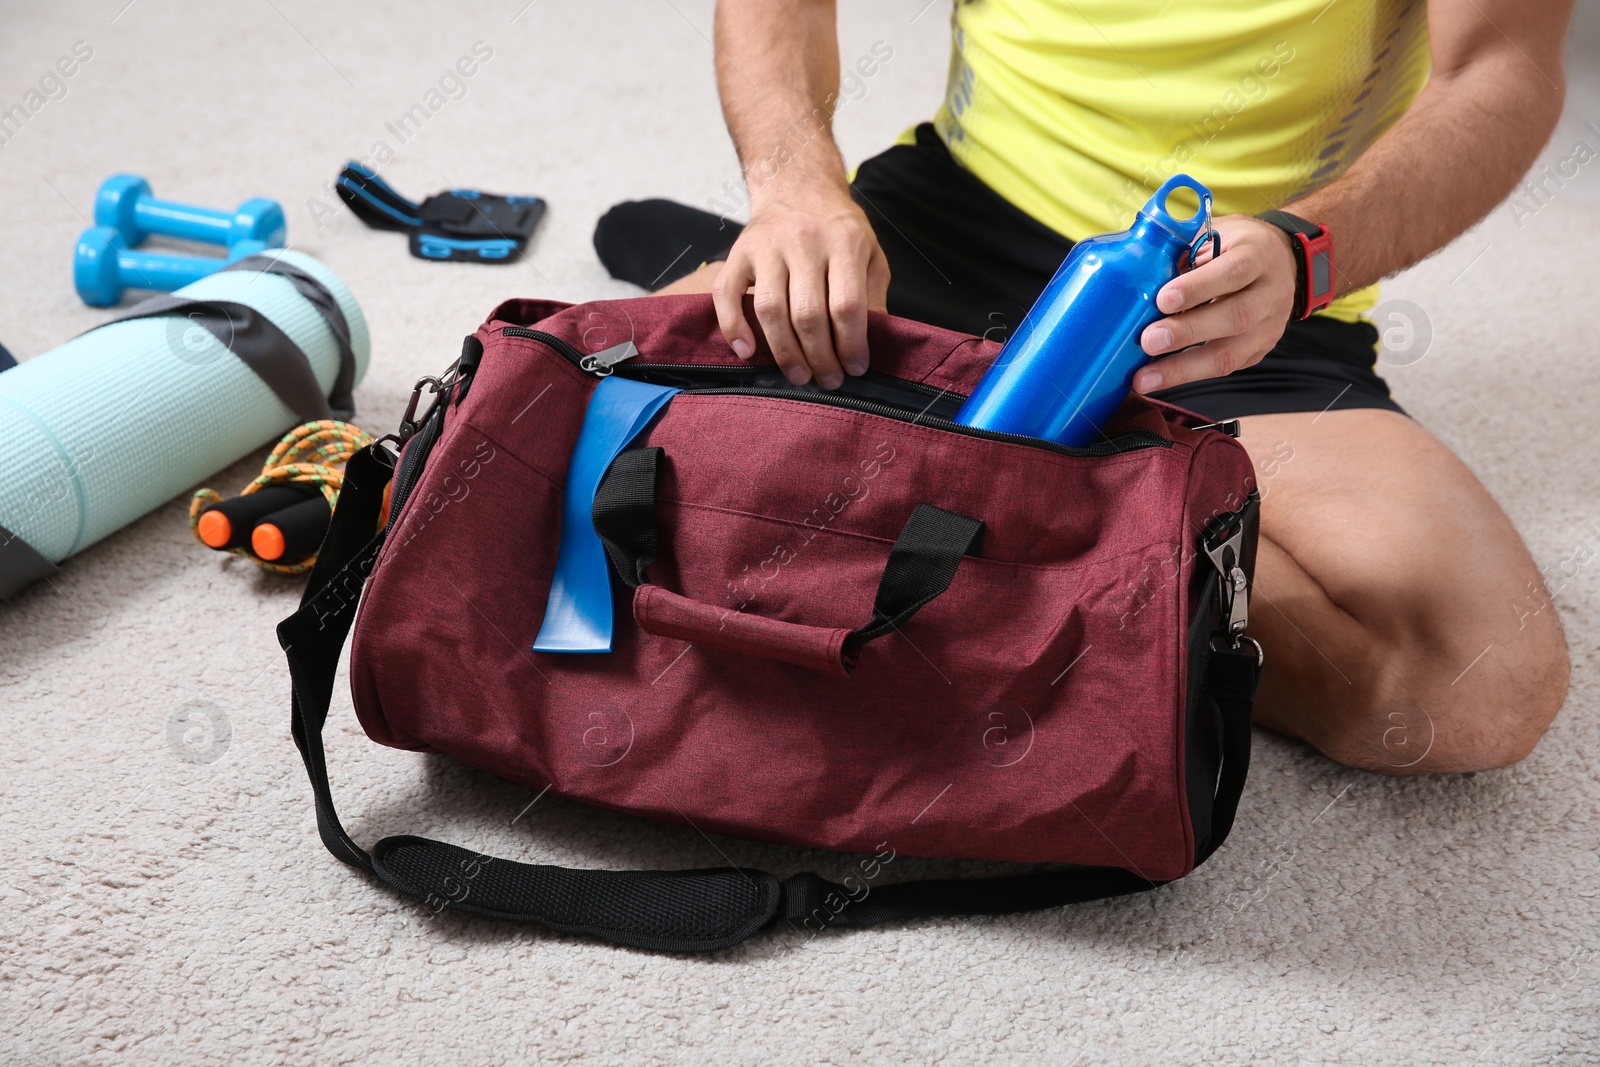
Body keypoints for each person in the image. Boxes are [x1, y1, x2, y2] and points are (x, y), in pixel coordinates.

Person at [593, 0, 1574, 774]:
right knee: (569, 446)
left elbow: (1500, 70)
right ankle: (1083, 498)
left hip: (1243, 296)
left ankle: (972, 472)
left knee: (1469, 686)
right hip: (950, 224)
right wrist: (795, 185)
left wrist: (1303, 252)